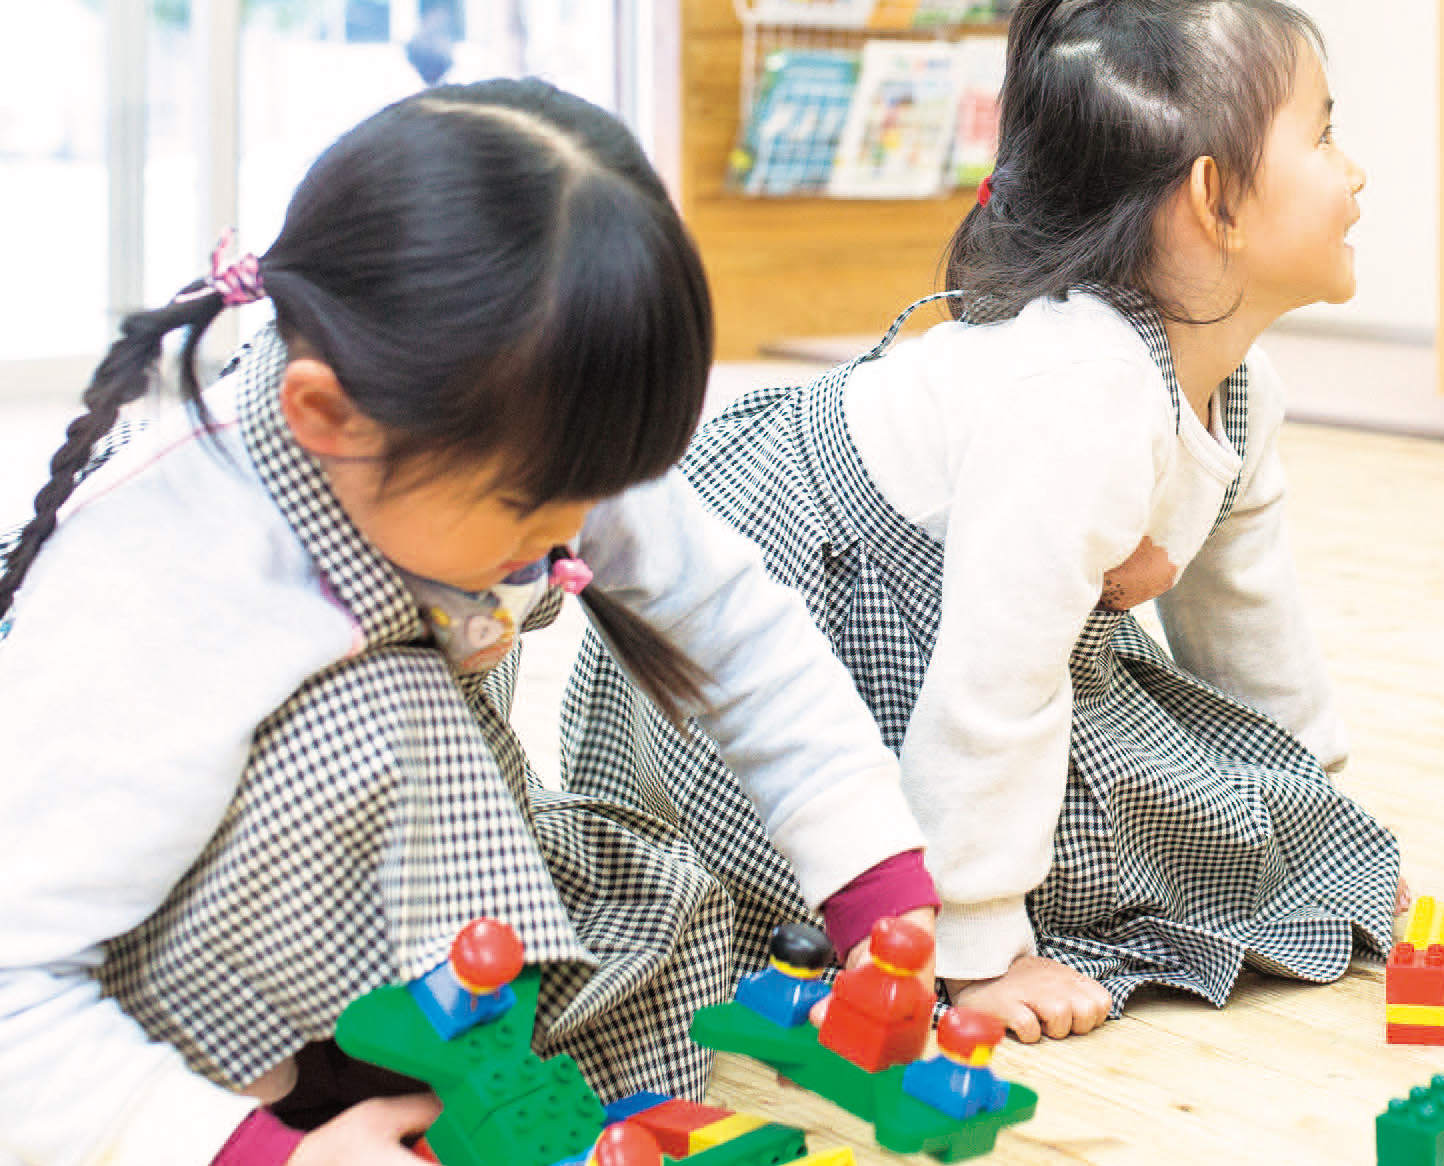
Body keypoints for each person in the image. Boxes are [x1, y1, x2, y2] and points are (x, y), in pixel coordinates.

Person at [0, 79, 934, 1165]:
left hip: (359, 893)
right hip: (141, 984)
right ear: (325, 416)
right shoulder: (165, 583)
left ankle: (425, 1069)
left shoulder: (509, 419)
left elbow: (733, 623)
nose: (574, 533)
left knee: (658, 923)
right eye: (533, 511)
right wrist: (256, 1150)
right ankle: (289, 1095)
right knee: (376, 706)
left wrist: (882, 898)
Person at [566, 0, 1401, 1044]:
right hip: (804, 584)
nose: (1358, 172)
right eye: (1325, 137)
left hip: (944, 609)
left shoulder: (1244, 386)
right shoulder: (1082, 395)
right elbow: (992, 688)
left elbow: (1249, 625)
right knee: (1054, 816)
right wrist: (977, 948)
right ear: (1213, 200)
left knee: (1158, 800)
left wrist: (1315, 826)